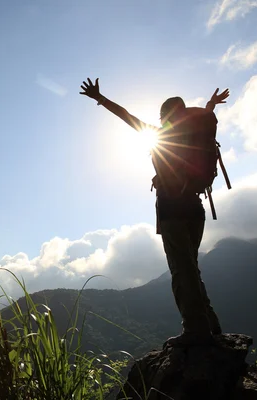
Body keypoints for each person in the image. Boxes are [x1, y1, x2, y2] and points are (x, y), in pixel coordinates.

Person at [79, 78, 229, 346]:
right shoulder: (198, 133)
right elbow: (206, 118)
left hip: (172, 208)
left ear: (165, 116)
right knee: (191, 267)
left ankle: (195, 329)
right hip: (196, 207)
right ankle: (211, 324)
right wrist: (210, 104)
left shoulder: (161, 134)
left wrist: (100, 99)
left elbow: (127, 116)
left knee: (181, 270)